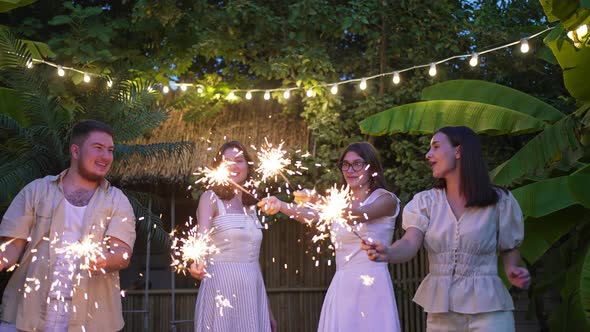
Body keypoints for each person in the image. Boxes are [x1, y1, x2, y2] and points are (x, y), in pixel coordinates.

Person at [362, 126, 531, 332]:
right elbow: (409, 242)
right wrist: (388, 251)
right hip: (441, 313)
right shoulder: (425, 203)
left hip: (490, 310)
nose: (428, 154)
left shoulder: (500, 202)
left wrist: (512, 269)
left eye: (436, 147)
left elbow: (509, 247)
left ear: (458, 151)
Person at [0, 120, 136, 332]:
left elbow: (122, 253)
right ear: (75, 150)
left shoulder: (117, 200)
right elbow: (11, 247)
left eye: (110, 150)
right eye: (98, 148)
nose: (106, 157)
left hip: (91, 320)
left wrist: (105, 259)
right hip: (28, 313)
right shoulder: (36, 191)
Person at [258, 142, 401, 332]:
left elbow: (360, 213)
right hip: (342, 283)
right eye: (346, 164)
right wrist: (281, 205)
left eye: (357, 164)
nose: (350, 170)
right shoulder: (339, 203)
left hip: (372, 283)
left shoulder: (386, 199)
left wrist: (319, 200)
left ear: (371, 167)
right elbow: (314, 216)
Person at [189, 141, 277, 332]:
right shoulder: (210, 198)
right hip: (222, 285)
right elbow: (201, 237)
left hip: (253, 290)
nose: (233, 166)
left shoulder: (253, 205)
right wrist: (196, 260)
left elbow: (254, 258)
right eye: (226, 161)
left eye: (239, 160)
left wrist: (267, 309)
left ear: (248, 166)